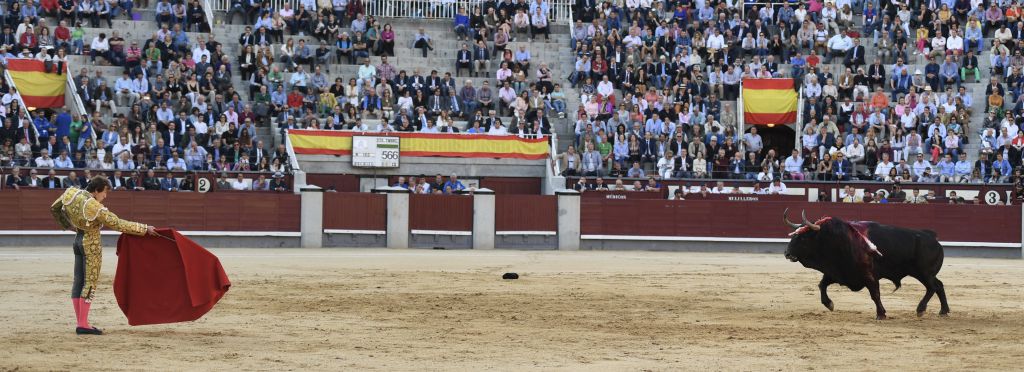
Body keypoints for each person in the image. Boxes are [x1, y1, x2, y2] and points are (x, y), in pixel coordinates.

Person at [49, 177, 159, 335]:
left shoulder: (71, 193)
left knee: (78, 281)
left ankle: (81, 322)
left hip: (78, 240)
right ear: (96, 190)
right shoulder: (94, 206)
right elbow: (118, 224)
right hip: (91, 244)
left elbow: (54, 208)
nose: (105, 196)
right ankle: (83, 324)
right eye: (105, 192)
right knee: (89, 283)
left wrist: (67, 225)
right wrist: (144, 228)